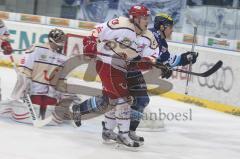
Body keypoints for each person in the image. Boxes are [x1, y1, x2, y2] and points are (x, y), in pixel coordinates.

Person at [70, 5, 172, 148]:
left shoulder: (149, 37)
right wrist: (90, 44)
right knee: (123, 99)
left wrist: (158, 64)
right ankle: (123, 134)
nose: (146, 20)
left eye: (147, 17)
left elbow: (149, 59)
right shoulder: (121, 24)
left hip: (125, 68)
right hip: (107, 63)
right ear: (134, 18)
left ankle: (108, 130)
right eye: (143, 17)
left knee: (114, 100)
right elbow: (96, 31)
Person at [126, 12, 199, 143]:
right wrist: (166, 64)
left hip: (132, 70)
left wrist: (185, 58)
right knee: (123, 100)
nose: (172, 30)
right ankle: (119, 130)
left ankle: (127, 131)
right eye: (170, 27)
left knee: (140, 100)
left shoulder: (162, 42)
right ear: (162, 27)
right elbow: (147, 56)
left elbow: (166, 60)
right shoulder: (150, 35)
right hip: (124, 67)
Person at [14, 28, 68, 120]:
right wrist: (25, 82)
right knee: (33, 112)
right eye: (59, 40)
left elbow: (62, 78)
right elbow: (25, 67)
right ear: (51, 40)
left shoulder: (63, 58)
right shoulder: (37, 49)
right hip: (35, 90)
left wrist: (62, 92)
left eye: (62, 40)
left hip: (51, 93)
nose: (61, 43)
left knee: (49, 117)